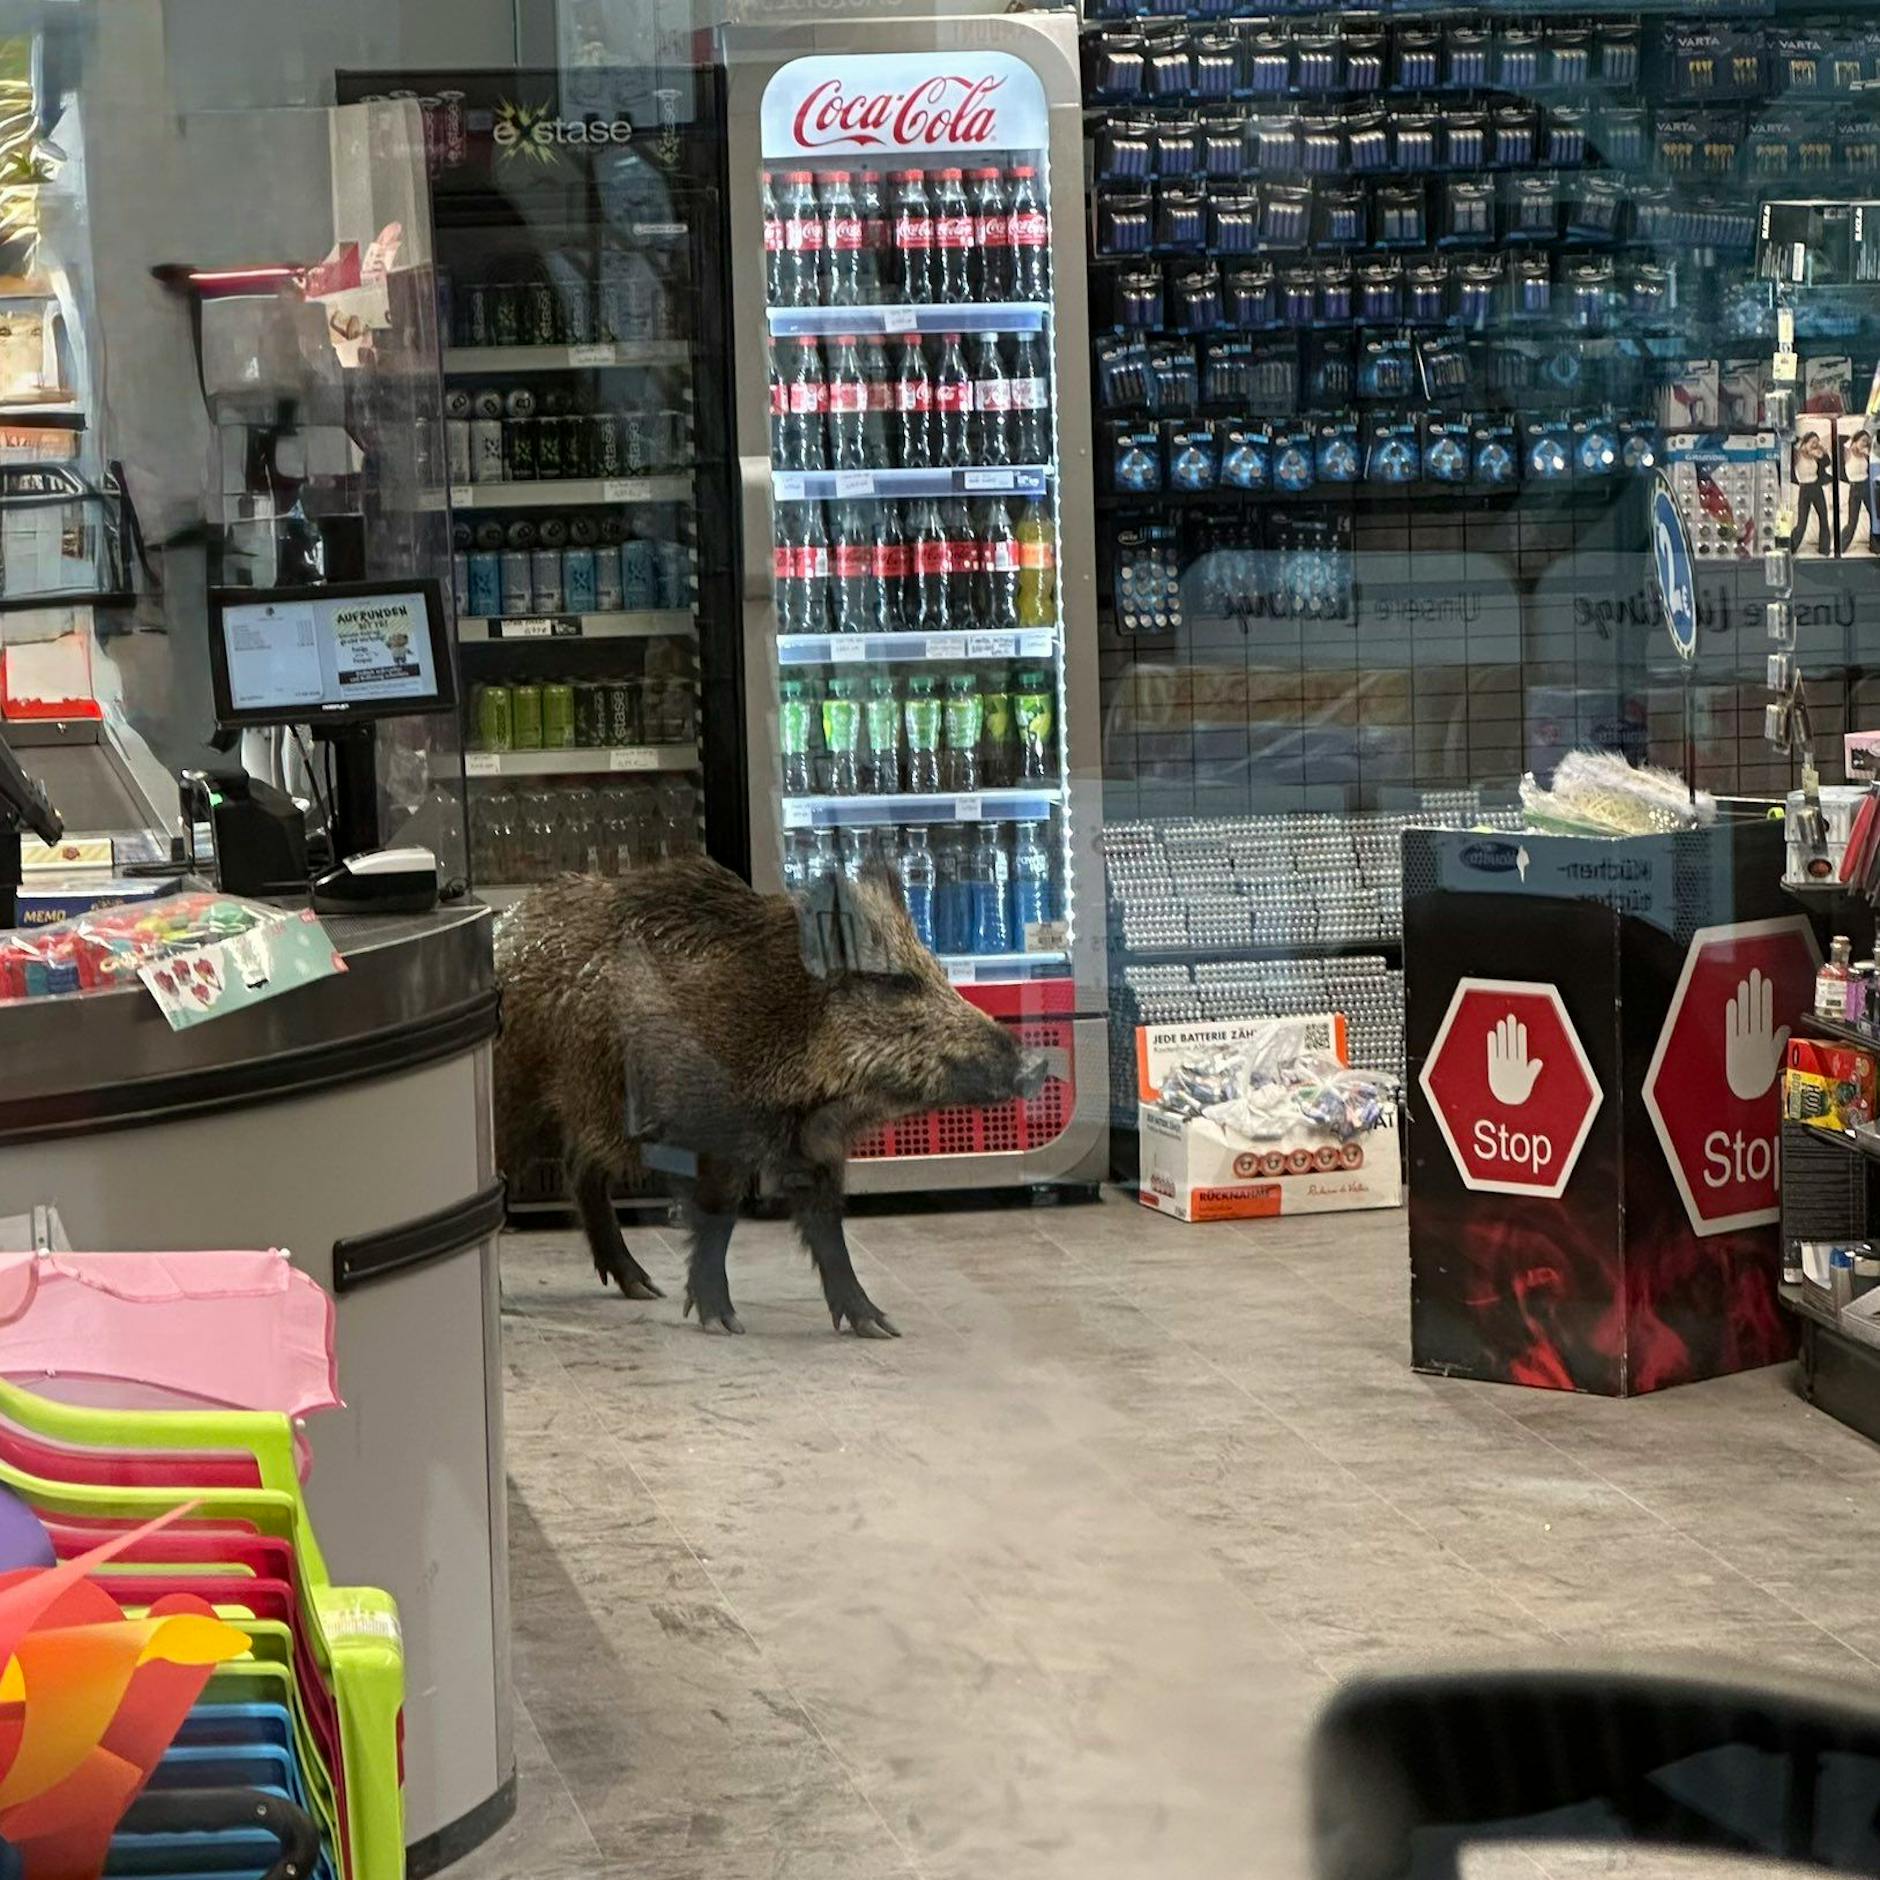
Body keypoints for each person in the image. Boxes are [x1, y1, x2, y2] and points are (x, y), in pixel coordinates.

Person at [1792, 426, 1833, 555]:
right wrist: (1803, 448)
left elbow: (1827, 462)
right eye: (1813, 442)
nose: (1815, 445)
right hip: (1804, 489)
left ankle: (1824, 549)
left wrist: (1822, 450)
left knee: (1824, 518)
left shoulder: (1816, 455)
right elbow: (1793, 444)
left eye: (1817, 442)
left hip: (1816, 487)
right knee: (1802, 522)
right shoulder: (1798, 455)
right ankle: (1791, 546)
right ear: (1805, 442)